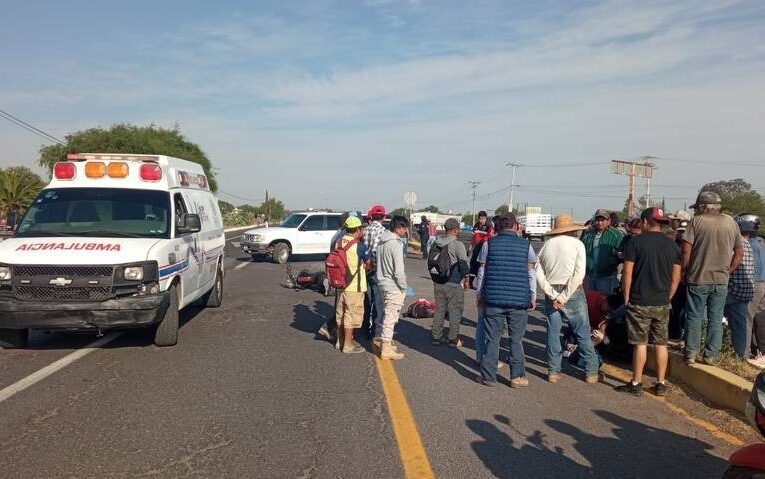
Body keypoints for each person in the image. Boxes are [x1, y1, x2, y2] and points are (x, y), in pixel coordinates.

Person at [616, 207, 681, 396]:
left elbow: (627, 271)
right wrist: (669, 295)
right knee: (661, 343)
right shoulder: (672, 245)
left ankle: (636, 383)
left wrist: (626, 296)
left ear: (644, 222)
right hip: (662, 301)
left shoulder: (635, 243)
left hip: (639, 300)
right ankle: (660, 383)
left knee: (640, 344)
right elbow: (676, 276)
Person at [474, 212, 537, 388]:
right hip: (519, 301)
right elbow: (531, 273)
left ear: (498, 227)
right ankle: (517, 377)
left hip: (493, 299)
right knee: (516, 339)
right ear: (516, 226)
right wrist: (532, 296)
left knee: (492, 338)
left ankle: (488, 376)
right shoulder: (526, 246)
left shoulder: (489, 244)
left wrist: (479, 294)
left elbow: (482, 272)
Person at [682, 191, 744, 365]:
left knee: (694, 316)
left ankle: (691, 354)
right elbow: (739, 253)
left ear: (703, 206)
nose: (696, 211)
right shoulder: (731, 222)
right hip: (721, 280)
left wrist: (684, 271)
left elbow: (686, 250)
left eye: (698, 208)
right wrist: (728, 270)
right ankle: (711, 356)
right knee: (716, 318)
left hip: (698, 278)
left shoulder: (697, 222)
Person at [536, 214, 599, 384]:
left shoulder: (547, 245)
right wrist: (564, 297)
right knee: (582, 332)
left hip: (552, 291)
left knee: (553, 333)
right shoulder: (578, 244)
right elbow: (579, 274)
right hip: (573, 291)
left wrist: (553, 294)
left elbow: (538, 273)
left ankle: (553, 371)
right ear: (572, 229)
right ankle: (591, 371)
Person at [431, 218, 470, 347]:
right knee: (455, 311)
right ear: (454, 230)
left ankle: (436, 337)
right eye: (458, 229)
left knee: (439, 309)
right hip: (453, 283)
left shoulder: (436, 242)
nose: (459, 231)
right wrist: (466, 279)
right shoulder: (457, 244)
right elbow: (463, 264)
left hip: (438, 281)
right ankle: (453, 338)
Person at [375, 215, 410, 360]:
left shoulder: (382, 242)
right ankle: (386, 347)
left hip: (383, 283)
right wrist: (404, 286)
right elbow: (399, 271)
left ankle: (387, 344)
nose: (406, 231)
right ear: (398, 228)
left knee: (387, 314)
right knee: (391, 316)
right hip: (393, 285)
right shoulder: (396, 244)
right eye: (405, 228)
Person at [334, 216, 368, 354]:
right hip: (354, 286)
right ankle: (348, 344)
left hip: (340, 284)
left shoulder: (339, 242)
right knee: (351, 315)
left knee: (340, 314)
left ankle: (339, 341)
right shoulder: (359, 246)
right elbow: (369, 264)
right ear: (358, 230)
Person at [724, 217, 755, 359]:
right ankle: (740, 354)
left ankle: (716, 347)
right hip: (746, 291)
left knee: (712, 313)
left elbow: (729, 263)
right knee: (740, 323)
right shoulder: (748, 244)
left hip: (734, 289)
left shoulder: (736, 243)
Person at [741, 214, 765, 368]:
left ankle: (744, 353)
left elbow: (750, 270)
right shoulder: (760, 243)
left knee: (746, 320)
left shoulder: (750, 245)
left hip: (754, 284)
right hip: (761, 283)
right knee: (760, 318)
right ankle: (761, 352)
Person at [581, 209, 624, 293]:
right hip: (589, 276)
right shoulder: (588, 235)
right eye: (597, 220)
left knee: (605, 302)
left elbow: (622, 253)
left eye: (602, 220)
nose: (599, 223)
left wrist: (613, 260)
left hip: (607, 276)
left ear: (609, 221)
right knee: (590, 302)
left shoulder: (616, 235)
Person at [364, 205, 388, 340]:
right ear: (384, 217)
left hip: (365, 270)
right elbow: (377, 252)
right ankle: (377, 332)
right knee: (379, 304)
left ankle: (364, 329)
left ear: (371, 217)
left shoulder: (364, 230)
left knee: (367, 301)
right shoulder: (384, 232)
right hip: (378, 271)